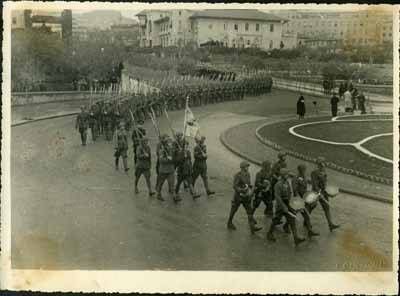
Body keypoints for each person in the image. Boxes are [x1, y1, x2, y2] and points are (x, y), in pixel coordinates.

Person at [266, 168, 306, 246]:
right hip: (280, 206)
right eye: (287, 175)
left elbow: (289, 192)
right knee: (276, 220)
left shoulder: (287, 182)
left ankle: (296, 238)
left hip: (287, 203)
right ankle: (269, 233)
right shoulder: (278, 184)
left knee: (292, 220)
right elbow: (278, 197)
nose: (288, 176)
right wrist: (284, 207)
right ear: (283, 175)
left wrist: (291, 204)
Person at [283, 164, 319, 238]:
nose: (304, 171)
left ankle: (310, 231)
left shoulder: (304, 177)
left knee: (305, 215)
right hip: (297, 200)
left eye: (304, 170)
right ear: (300, 170)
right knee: (294, 214)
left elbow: (305, 189)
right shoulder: (295, 178)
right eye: (303, 170)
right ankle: (286, 226)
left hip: (303, 199)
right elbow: (295, 190)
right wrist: (300, 201)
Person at [227, 161, 262, 234]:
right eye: (246, 166)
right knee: (234, 210)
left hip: (246, 197)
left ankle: (252, 227)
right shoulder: (238, 175)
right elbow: (235, 186)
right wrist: (241, 190)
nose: (248, 168)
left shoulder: (248, 174)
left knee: (249, 211)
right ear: (243, 167)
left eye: (248, 166)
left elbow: (248, 184)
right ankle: (229, 222)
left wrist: (252, 187)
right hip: (238, 197)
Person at [310, 157, 340, 232]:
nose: (323, 165)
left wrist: (327, 192)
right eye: (322, 163)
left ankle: (330, 224)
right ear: (319, 164)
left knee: (326, 208)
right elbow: (314, 185)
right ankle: (306, 220)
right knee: (312, 206)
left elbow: (325, 183)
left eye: (324, 163)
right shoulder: (314, 172)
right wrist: (319, 194)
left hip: (323, 192)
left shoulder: (324, 171)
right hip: (316, 193)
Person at [156, 136, 180, 202]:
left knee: (172, 183)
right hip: (163, 170)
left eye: (171, 143)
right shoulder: (161, 150)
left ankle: (174, 196)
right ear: (166, 143)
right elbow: (161, 160)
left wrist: (177, 154)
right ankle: (158, 194)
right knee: (160, 183)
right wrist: (168, 159)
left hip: (171, 170)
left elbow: (175, 158)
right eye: (169, 143)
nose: (171, 144)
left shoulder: (172, 150)